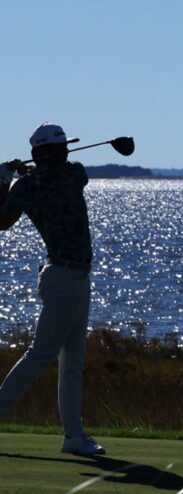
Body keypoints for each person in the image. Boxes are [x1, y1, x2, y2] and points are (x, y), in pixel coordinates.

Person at [0, 123, 105, 455]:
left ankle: (74, 435)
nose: (67, 152)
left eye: (66, 146)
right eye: (59, 147)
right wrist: (6, 181)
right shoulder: (29, 185)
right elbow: (1, 221)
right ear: (42, 151)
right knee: (40, 355)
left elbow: (68, 172)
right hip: (62, 276)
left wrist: (10, 177)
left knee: (73, 360)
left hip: (76, 276)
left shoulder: (70, 174)